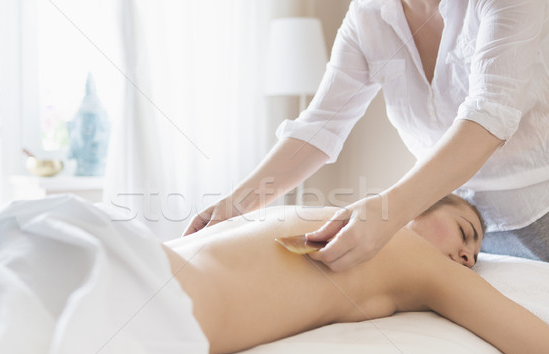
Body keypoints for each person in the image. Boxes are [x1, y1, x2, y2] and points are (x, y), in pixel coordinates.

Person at [183, 0, 549, 270]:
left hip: (538, 210)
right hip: (451, 223)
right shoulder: (368, 16)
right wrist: (237, 204)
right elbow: (320, 125)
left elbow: (490, 116)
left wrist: (389, 213)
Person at [167, 195, 549, 354]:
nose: (468, 255)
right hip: (162, 295)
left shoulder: (413, 260)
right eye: (465, 232)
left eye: (475, 255)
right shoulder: (403, 247)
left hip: (154, 284)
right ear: (414, 204)